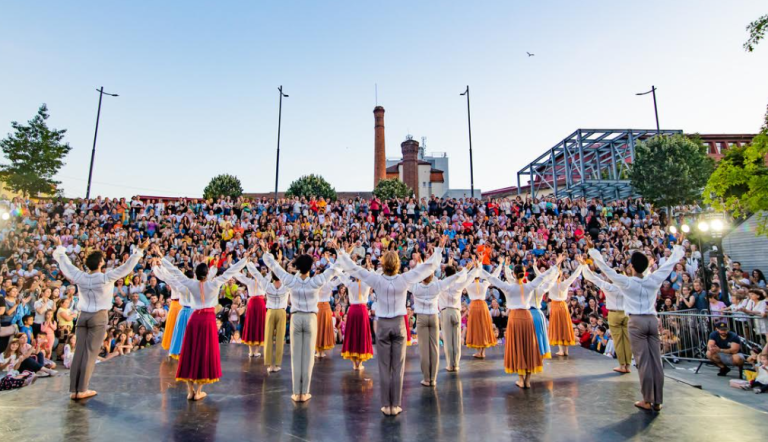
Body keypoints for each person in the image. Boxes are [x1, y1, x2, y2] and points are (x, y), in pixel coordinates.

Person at [337, 236, 446, 416]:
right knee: (398, 366)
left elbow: (353, 268)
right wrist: (439, 249)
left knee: (384, 366)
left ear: (383, 263)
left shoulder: (376, 279)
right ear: (397, 264)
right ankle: (395, 405)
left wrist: (340, 251)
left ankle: (386, 406)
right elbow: (429, 267)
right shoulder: (404, 279)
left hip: (383, 325)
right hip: (399, 325)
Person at [587, 242, 685, 412]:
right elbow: (668, 265)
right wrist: (677, 250)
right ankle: (658, 400)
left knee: (644, 362)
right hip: (652, 320)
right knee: (656, 361)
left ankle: (648, 399)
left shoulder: (626, 282)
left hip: (636, 321)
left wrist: (593, 252)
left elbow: (606, 269)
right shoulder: (654, 278)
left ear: (631, 266)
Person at [53, 236, 149, 400]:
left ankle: (74, 390)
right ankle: (82, 389)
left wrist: (60, 248)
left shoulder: (80, 276)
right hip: (98, 317)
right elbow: (127, 268)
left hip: (82, 317)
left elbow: (66, 265)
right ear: (100, 264)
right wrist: (139, 250)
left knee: (79, 353)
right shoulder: (106, 277)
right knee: (90, 353)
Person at [157, 245, 251, 401]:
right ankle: (198, 391)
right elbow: (230, 272)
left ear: (196, 274)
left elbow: (175, 272)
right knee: (203, 354)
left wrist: (161, 256)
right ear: (207, 274)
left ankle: (190, 390)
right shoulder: (213, 284)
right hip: (207, 320)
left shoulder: (191, 284)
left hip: (194, 319)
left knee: (189, 352)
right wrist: (245, 259)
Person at [261, 241, 341, 403]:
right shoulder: (316, 281)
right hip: (311, 318)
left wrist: (267, 252)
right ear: (311, 267)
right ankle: (304, 393)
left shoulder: (290, 280)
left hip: (296, 317)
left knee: (296, 356)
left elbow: (273, 265)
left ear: (297, 267)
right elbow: (336, 268)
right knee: (308, 357)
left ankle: (296, 393)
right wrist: (339, 251)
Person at [481, 255, 561, 389]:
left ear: (514, 274)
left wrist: (479, 268)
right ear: (523, 274)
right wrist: (556, 265)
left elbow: (492, 279)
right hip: (527, 316)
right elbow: (543, 277)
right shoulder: (530, 286)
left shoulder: (510, 287)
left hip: (515, 318)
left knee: (518, 346)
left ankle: (520, 379)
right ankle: (528, 380)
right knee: (529, 346)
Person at [410, 258, 473, 387]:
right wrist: (468, 268)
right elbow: (461, 277)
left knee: (426, 347)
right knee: (437, 346)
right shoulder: (440, 284)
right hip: (448, 313)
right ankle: (441, 373)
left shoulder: (424, 285)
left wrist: (420, 265)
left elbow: (411, 278)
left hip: (427, 316)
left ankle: (428, 377)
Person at [581, 263, 632, 374]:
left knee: (618, 341)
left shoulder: (609, 286)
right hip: (626, 314)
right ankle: (628, 365)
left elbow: (592, 278)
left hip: (614, 314)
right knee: (627, 340)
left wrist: (584, 266)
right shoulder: (628, 286)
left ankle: (622, 365)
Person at [437, 255, 477, 372]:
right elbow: (469, 277)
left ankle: (450, 364)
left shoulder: (441, 283)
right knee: (457, 338)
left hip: (446, 312)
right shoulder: (458, 284)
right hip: (456, 312)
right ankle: (457, 364)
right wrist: (474, 267)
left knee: (448, 340)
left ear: (445, 273)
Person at [545, 264, 584, 357]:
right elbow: (575, 275)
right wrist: (581, 265)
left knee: (558, 327)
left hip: (555, 306)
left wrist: (535, 266)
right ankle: (566, 350)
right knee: (565, 327)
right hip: (563, 306)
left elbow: (540, 275)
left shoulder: (551, 284)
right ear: (561, 276)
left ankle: (561, 350)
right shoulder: (565, 283)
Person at [337, 271, 374, 370]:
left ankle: (354, 364)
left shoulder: (350, 284)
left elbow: (341, 276)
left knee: (352, 334)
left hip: (353, 310)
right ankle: (360, 363)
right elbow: (375, 274)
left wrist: (341, 268)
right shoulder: (366, 284)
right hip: (362, 310)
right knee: (362, 334)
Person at [465, 264, 502, 359]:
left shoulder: (468, 284)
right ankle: (483, 352)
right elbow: (494, 276)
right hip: (483, 306)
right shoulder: (484, 284)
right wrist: (500, 265)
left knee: (477, 328)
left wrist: (470, 269)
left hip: (474, 307)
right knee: (484, 327)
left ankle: (478, 351)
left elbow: (462, 278)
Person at [233, 261, 269, 358]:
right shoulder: (264, 281)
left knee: (251, 325)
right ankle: (255, 351)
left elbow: (239, 276)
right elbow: (272, 273)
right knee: (258, 325)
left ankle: (251, 351)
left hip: (253, 304)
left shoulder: (250, 281)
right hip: (260, 304)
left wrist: (232, 267)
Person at [263, 273, 291, 373]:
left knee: (268, 337)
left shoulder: (267, 285)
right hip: (281, 312)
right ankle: (277, 363)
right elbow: (295, 278)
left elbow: (256, 274)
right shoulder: (286, 286)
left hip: (270, 312)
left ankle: (270, 365)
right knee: (280, 338)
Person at [160, 276, 182, 352]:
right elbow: (165, 277)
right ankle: (172, 345)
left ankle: (179, 345)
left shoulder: (184, 283)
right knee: (172, 325)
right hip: (175, 305)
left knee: (179, 326)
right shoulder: (173, 282)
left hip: (181, 305)